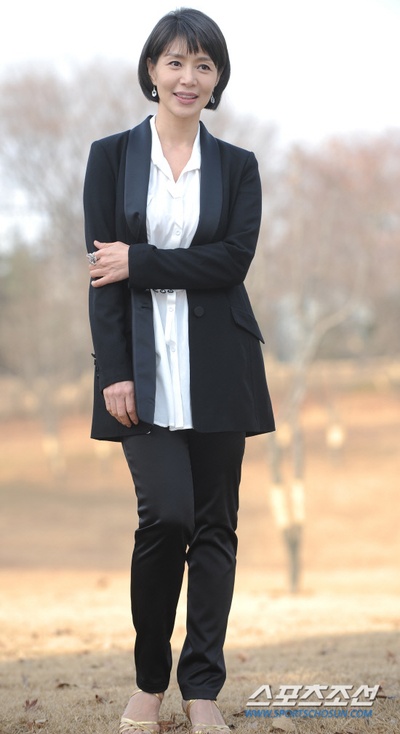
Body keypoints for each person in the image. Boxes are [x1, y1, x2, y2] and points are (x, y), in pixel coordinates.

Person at [83, 8, 275, 734]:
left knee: (216, 527)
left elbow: (231, 263)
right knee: (165, 517)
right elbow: (103, 276)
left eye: (203, 65)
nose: (188, 77)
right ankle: (148, 681)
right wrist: (114, 371)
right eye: (175, 62)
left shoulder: (239, 167)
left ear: (217, 79)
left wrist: (141, 260)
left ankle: (202, 692)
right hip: (141, 372)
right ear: (152, 71)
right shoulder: (109, 157)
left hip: (221, 368)